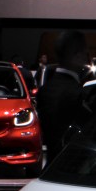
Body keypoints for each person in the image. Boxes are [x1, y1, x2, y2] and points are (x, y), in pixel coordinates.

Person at [39, 30, 89, 162]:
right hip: (74, 166)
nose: (86, 58)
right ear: (77, 55)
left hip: (51, 165)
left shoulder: (45, 90)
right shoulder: (77, 93)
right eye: (85, 53)